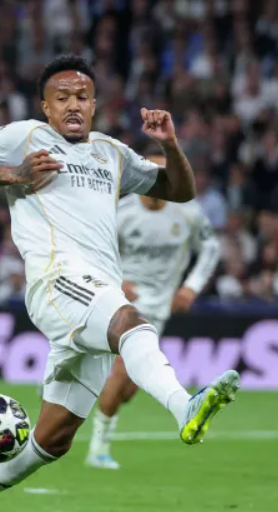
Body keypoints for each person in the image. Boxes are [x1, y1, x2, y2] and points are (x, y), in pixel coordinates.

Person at [0, 55, 239, 512]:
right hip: (57, 281)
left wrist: (170, 146)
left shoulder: (112, 153)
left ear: (94, 105)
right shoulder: (25, 136)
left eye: (82, 97)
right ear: (45, 106)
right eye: (62, 97)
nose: (73, 104)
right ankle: (184, 406)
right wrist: (14, 174)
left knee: (52, 441)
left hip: (94, 290)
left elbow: (180, 189)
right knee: (131, 321)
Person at [86, 151, 222, 470]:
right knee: (123, 371)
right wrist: (117, 279)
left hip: (160, 308)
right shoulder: (121, 212)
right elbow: (94, 250)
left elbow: (211, 248)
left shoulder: (188, 212)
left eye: (165, 174)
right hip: (122, 302)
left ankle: (87, 381)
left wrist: (191, 287)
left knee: (129, 388)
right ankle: (98, 448)